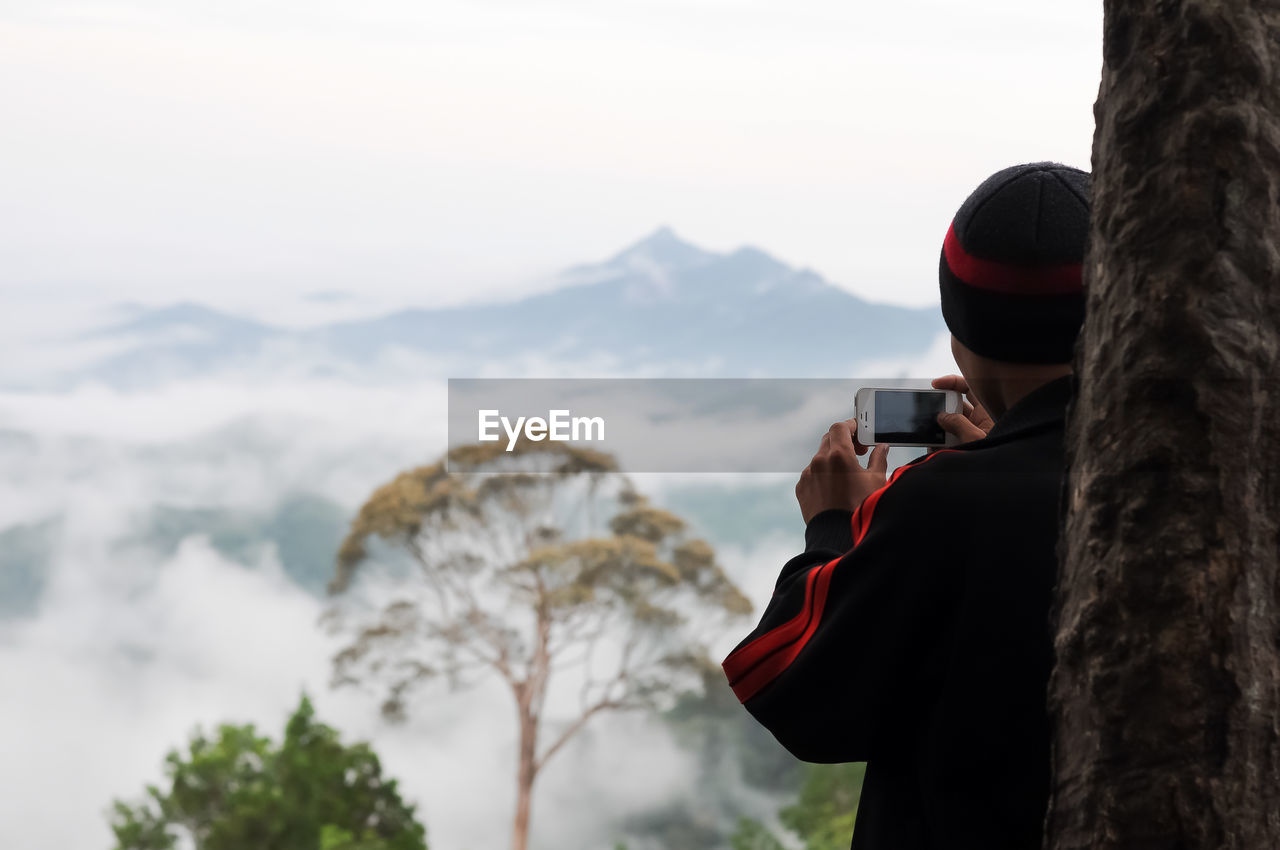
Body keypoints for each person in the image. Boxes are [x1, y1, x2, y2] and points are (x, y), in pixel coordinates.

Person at [722, 162, 1090, 850]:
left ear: (961, 337)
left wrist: (834, 526)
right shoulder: (1161, 468)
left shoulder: (941, 502)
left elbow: (790, 688)